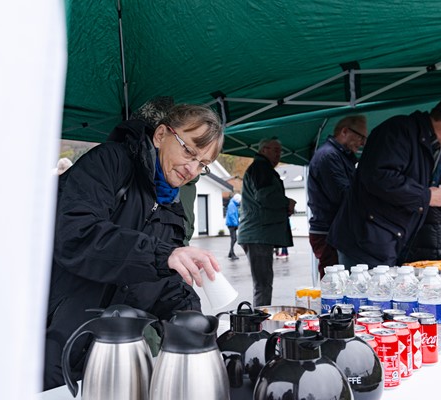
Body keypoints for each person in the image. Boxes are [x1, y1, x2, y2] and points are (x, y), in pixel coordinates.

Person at [44, 104, 225, 389]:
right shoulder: (108, 163)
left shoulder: (173, 208)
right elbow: (77, 236)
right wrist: (162, 255)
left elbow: (162, 284)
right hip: (55, 340)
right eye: (189, 151)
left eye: (202, 164)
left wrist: (195, 325)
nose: (192, 169)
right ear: (161, 134)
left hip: (114, 356)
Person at [327, 96, 441, 267]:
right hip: (364, 238)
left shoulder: (436, 150)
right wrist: (426, 195)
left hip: (392, 239)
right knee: (364, 292)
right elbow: (378, 177)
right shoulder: (398, 131)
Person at [307, 115, 367, 277]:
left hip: (333, 230)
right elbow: (344, 196)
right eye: (360, 137)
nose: (362, 143)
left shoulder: (338, 156)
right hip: (329, 232)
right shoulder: (329, 156)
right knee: (335, 286)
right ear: (345, 131)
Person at [238, 137, 295, 306]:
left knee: (263, 284)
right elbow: (265, 196)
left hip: (257, 234)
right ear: (264, 150)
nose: (279, 155)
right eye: (275, 150)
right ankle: (259, 324)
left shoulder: (262, 168)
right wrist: (287, 202)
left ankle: (259, 320)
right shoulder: (262, 168)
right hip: (258, 235)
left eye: (280, 151)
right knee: (263, 285)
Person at [225, 193, 241, 260]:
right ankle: (232, 254)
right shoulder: (232, 205)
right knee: (234, 239)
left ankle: (230, 253)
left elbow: (236, 214)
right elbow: (231, 215)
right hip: (231, 225)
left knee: (233, 239)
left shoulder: (234, 205)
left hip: (232, 224)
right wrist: (236, 224)